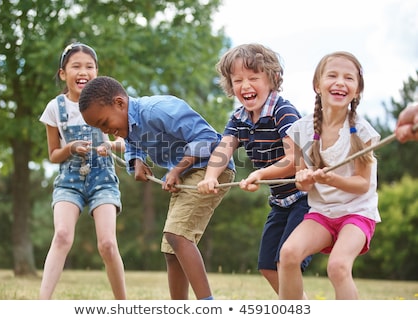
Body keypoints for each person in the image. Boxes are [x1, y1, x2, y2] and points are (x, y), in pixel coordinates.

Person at [79, 75, 235, 300]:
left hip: (210, 168)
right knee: (171, 250)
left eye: (105, 123)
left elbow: (207, 137)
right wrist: (137, 161)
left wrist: (177, 170)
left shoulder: (158, 110)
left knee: (177, 235)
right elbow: (133, 142)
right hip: (188, 173)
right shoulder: (129, 125)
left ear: (120, 103)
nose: (109, 131)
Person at [197, 43, 311, 297]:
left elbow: (294, 160)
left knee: (285, 260)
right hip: (281, 201)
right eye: (238, 80)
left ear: (272, 78)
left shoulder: (283, 112)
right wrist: (210, 177)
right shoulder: (239, 119)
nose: (245, 86)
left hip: (306, 198)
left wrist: (259, 174)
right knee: (268, 266)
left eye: (253, 78)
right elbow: (224, 149)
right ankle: (301, 307)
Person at [277, 51, 381, 300]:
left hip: (356, 214)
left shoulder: (363, 132)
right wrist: (304, 182)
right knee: (288, 254)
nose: (340, 82)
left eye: (349, 78)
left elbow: (362, 185)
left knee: (337, 267)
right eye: (332, 75)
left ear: (357, 90)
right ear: (317, 85)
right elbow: (302, 181)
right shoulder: (299, 130)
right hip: (322, 213)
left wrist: (329, 179)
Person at [39, 43, 126, 299]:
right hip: (69, 181)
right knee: (63, 235)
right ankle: (40, 305)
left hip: (103, 181)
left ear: (97, 72)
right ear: (63, 73)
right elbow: (54, 154)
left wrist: (109, 145)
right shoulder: (55, 108)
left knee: (108, 244)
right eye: (76, 66)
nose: (83, 71)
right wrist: (71, 148)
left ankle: (124, 306)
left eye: (89, 66)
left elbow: (125, 142)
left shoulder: (112, 103)